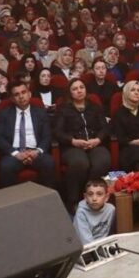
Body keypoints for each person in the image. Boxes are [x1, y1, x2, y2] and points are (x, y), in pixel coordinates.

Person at [54, 79, 112, 207]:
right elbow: (57, 132)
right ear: (70, 93)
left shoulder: (94, 106)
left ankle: (89, 195)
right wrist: (73, 141)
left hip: (94, 143)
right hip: (73, 146)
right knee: (80, 163)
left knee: (103, 161)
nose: (79, 90)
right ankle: (73, 200)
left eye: (81, 87)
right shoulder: (63, 109)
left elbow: (105, 128)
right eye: (75, 89)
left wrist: (97, 140)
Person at [0, 81, 58, 193]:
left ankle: (47, 200)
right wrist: (16, 154)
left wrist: (37, 152)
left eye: (23, 92)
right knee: (6, 167)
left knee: (49, 162)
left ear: (30, 94)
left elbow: (47, 136)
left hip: (35, 152)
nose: (21, 96)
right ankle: (12, 203)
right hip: (14, 153)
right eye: (16, 94)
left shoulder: (40, 112)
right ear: (12, 99)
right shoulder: (4, 114)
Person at [73, 179, 115, 245]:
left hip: (104, 245)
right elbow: (86, 242)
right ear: (85, 197)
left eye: (99, 194)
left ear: (106, 197)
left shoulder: (111, 209)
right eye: (90, 194)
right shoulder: (81, 213)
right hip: (88, 248)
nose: (94, 198)